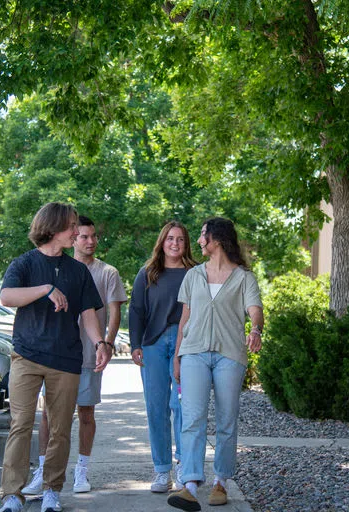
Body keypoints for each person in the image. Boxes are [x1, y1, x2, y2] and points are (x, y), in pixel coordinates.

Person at [0, 202, 113, 512]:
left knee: (61, 429)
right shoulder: (24, 264)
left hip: (66, 361)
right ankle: (12, 495)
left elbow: (88, 312)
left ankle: (51, 490)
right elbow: (7, 297)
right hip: (27, 356)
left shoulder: (79, 271)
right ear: (52, 227)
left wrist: (100, 342)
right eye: (71, 226)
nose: (76, 232)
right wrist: (46, 288)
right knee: (21, 424)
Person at [22, 215, 127, 496]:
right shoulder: (57, 268)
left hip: (89, 352)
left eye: (93, 236)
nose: (90, 241)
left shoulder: (107, 273)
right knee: (49, 416)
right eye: (83, 236)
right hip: (57, 353)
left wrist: (106, 342)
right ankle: (43, 472)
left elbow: (114, 311)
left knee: (86, 412)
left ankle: (81, 470)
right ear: (72, 237)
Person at [167, 217, 263, 512]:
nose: (198, 241)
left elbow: (255, 310)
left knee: (226, 418)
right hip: (194, 352)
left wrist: (255, 329)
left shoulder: (244, 277)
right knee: (192, 416)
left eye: (202, 236)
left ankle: (221, 481)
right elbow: (185, 317)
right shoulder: (193, 275)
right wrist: (178, 355)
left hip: (229, 355)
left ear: (216, 239)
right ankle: (191, 484)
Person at [129, 221, 197, 493]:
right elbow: (136, 310)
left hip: (186, 345)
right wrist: (135, 344)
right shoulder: (148, 273)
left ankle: (183, 465)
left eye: (180, 239)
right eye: (170, 238)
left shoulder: (195, 273)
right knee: (156, 407)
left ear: (186, 243)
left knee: (180, 404)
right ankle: (161, 471)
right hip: (154, 344)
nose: (175, 243)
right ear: (162, 241)